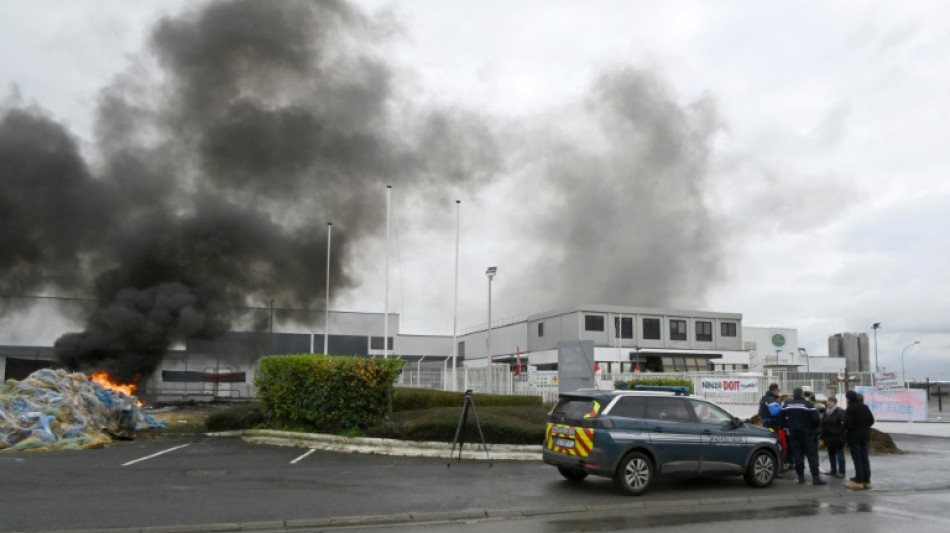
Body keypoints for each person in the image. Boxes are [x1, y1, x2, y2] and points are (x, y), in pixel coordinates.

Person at [781, 386, 826, 485]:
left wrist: (788, 425)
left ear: (793, 394)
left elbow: (781, 417)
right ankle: (815, 477)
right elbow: (816, 419)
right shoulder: (808, 405)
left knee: (798, 455)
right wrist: (812, 428)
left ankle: (801, 477)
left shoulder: (787, 405)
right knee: (811, 456)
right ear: (802, 394)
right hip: (807, 433)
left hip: (794, 434)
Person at [844, 389, 875, 490]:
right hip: (865, 436)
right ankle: (866, 480)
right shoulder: (865, 407)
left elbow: (847, 424)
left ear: (849, 399)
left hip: (854, 437)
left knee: (857, 459)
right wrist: (864, 427)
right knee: (865, 458)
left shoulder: (850, 408)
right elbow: (871, 420)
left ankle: (859, 481)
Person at [759, 383, 792, 471]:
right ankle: (779, 466)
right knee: (779, 446)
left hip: (767, 425)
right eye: (778, 390)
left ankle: (775, 465)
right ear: (774, 390)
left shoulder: (764, 399)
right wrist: (783, 405)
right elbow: (774, 412)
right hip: (773, 426)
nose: (779, 392)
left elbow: (760, 411)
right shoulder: (771, 400)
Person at [820, 396, 846, 478]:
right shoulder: (826, 412)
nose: (829, 403)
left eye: (831, 401)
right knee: (831, 454)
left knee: (839, 454)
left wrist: (838, 432)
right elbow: (823, 423)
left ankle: (842, 471)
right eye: (828, 401)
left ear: (835, 403)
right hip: (828, 437)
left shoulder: (840, 411)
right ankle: (833, 470)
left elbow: (843, 424)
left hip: (838, 437)